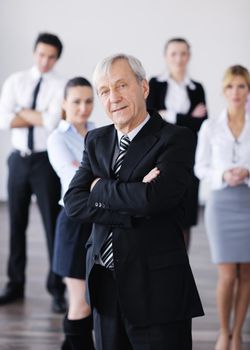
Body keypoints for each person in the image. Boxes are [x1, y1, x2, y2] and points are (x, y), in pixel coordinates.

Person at [64, 53, 204, 350]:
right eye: (104, 90)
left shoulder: (177, 138)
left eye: (121, 85)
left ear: (143, 88)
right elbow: (74, 202)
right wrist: (132, 195)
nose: (113, 97)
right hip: (105, 285)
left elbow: (155, 200)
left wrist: (100, 188)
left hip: (156, 291)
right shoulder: (96, 140)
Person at [0, 32, 66, 312]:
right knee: (16, 225)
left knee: (53, 225)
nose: (45, 61)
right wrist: (36, 115)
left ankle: (56, 289)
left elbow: (52, 122)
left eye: (51, 57)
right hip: (18, 160)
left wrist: (20, 110)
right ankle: (15, 285)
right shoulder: (16, 80)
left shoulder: (61, 85)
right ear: (34, 52)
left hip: (45, 161)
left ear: (57, 58)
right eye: (41, 54)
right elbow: (3, 119)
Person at [195, 65, 250, 350]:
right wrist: (223, 175)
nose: (236, 92)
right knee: (228, 274)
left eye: (241, 86)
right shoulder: (210, 127)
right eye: (231, 86)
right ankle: (224, 331)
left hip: (249, 202)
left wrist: (247, 172)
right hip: (221, 204)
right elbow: (200, 167)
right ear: (224, 90)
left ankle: (239, 332)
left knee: (247, 275)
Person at [47, 77, 95, 350]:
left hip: (98, 220)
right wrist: (101, 178)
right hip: (74, 223)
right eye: (76, 101)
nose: (83, 107)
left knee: (93, 300)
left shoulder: (99, 131)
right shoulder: (57, 138)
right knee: (80, 304)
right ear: (64, 103)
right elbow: (73, 177)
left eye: (89, 101)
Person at [147, 38, 208, 250]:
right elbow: (151, 118)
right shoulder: (154, 84)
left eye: (183, 53)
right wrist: (187, 117)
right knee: (160, 210)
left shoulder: (196, 88)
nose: (179, 58)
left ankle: (182, 266)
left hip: (190, 157)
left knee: (186, 215)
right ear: (166, 57)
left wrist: (169, 115)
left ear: (189, 56)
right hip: (160, 156)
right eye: (174, 53)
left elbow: (202, 124)